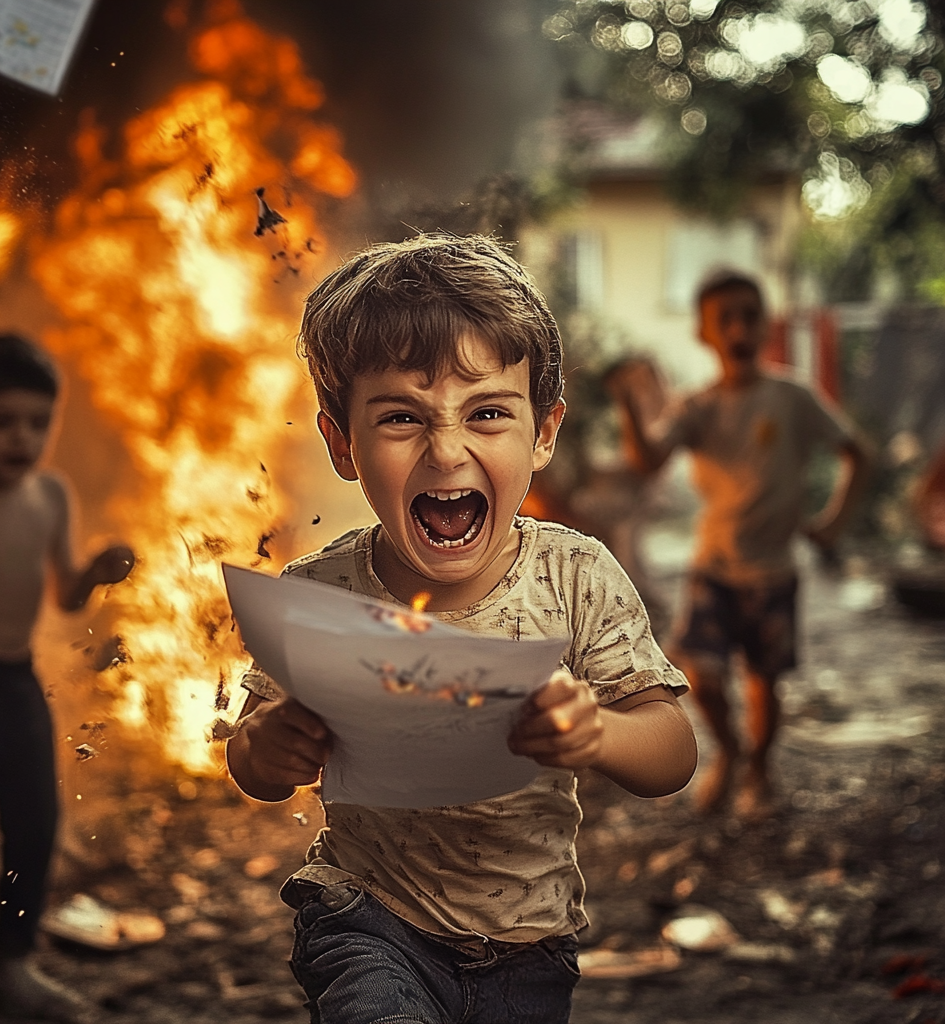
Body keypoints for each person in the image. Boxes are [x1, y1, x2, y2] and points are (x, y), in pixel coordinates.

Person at [226, 235, 697, 1024]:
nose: (447, 450)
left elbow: (671, 751)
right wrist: (268, 746)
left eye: (486, 413)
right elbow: (252, 759)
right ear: (342, 443)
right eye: (402, 417)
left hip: (528, 945)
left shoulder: (575, 578)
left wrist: (597, 736)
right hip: (365, 918)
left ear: (543, 433)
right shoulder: (318, 593)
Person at [0, 334, 134, 1022]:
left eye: (37, 422)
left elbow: (64, 593)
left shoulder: (49, 496)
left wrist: (96, 574)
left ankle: (10, 962)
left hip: (16, 686)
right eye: (1, 421)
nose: (21, 437)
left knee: (34, 825)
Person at [609, 271, 871, 818]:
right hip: (715, 567)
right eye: (724, 318)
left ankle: (758, 770)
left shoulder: (792, 396)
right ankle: (728, 753)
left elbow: (857, 452)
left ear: (764, 322)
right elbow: (648, 460)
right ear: (705, 333)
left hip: (774, 571)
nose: (739, 327)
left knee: (763, 683)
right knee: (701, 677)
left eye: (749, 314)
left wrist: (833, 522)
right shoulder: (697, 406)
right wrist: (630, 405)